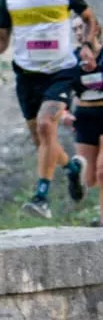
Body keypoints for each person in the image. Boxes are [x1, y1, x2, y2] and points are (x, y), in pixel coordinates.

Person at [0, 0, 97, 218]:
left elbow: (90, 18)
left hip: (61, 71)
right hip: (27, 75)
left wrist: (87, 45)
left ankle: (41, 197)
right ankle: (71, 168)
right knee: (41, 140)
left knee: (47, 125)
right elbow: (4, 39)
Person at [65, 38, 103, 227]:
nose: (80, 33)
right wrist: (63, 112)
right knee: (90, 178)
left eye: (84, 27)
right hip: (85, 116)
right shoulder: (72, 58)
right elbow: (62, 86)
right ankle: (75, 172)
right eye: (76, 29)